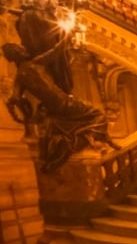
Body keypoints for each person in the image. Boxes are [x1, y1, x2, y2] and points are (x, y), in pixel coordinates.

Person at [2, 42, 115, 172]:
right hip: (63, 101)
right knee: (97, 114)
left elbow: (15, 99)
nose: (22, 49)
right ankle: (81, 140)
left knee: (82, 119)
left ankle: (79, 139)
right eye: (19, 49)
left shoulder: (19, 77)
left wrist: (24, 114)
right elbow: (54, 51)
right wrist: (64, 37)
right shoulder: (34, 62)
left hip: (52, 106)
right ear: (17, 53)